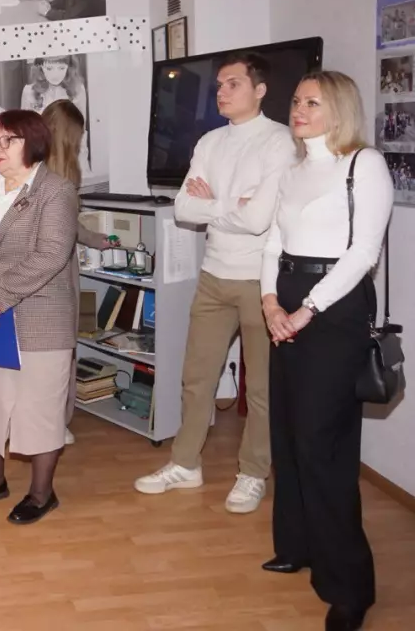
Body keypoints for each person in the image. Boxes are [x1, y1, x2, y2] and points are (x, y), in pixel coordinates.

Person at [134, 52, 295, 514]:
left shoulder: (279, 142)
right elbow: (184, 209)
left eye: (233, 84)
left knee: (260, 388)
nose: (221, 92)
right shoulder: (209, 141)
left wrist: (214, 204)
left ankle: (253, 473)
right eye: (220, 85)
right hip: (213, 275)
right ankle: (185, 463)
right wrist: (231, 204)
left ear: (259, 90)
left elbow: (259, 218)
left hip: (261, 282)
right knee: (196, 377)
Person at [260, 71, 392, 631]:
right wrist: (270, 301)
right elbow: (274, 242)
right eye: (296, 100)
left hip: (334, 310)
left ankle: (350, 587)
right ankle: (297, 546)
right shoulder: (292, 171)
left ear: (338, 110)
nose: (299, 109)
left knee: (324, 447)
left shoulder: (365, 164)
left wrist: (307, 309)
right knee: (288, 436)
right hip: (287, 299)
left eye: (312, 102)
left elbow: (363, 254)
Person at [0, 109, 80, 524]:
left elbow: (51, 255)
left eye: (9, 140)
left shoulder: (56, 191)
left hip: (41, 318)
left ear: (34, 143)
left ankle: (42, 494)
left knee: (39, 411)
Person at [40, 99, 113, 446]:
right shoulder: (57, 179)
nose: (80, 145)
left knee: (45, 352)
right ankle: (56, 421)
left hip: (40, 272)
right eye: (79, 138)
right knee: (62, 349)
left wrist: (96, 240)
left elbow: (70, 225)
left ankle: (47, 420)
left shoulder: (37, 172)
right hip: (56, 273)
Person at [21, 56, 86, 119]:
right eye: (49, 68)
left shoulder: (78, 89)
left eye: (61, 68)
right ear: (40, 68)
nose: (55, 75)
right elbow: (24, 124)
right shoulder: (29, 91)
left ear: (69, 68)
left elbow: (82, 124)